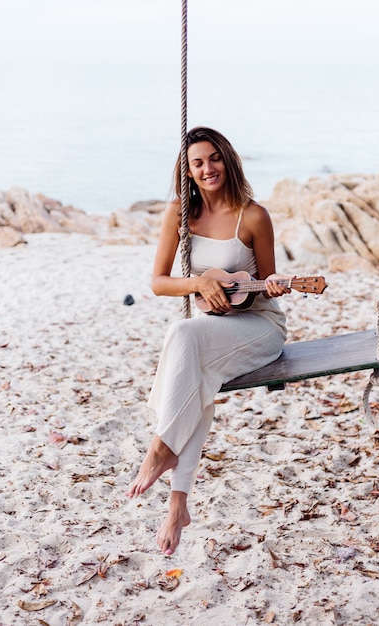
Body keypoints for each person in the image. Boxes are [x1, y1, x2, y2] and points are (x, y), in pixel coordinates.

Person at [126, 126, 292, 555]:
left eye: (213, 158)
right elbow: (160, 282)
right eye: (196, 163)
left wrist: (272, 285)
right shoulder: (181, 213)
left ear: (228, 160)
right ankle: (178, 504)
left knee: (185, 337)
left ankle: (162, 446)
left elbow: (264, 282)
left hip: (260, 328)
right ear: (187, 171)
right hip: (213, 333)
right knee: (194, 363)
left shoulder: (253, 215)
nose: (206, 168)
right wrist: (198, 282)